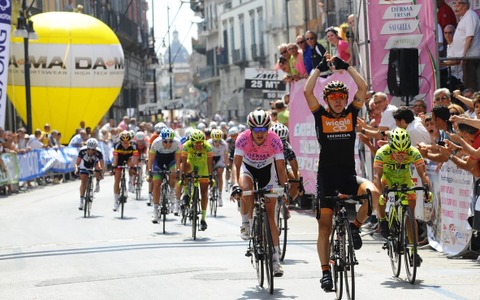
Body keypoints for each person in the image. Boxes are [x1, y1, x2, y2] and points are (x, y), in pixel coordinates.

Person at [303, 55, 379, 291]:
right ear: (327, 101)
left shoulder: (351, 114)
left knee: (374, 194)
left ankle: (355, 227)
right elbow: (308, 92)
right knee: (324, 226)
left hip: (348, 176)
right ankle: (326, 272)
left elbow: (363, 87)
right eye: (333, 98)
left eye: (341, 98)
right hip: (326, 177)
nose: (337, 101)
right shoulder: (321, 116)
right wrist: (319, 69)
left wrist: (345, 67)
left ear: (346, 100)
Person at [230, 108, 288, 277]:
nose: (260, 133)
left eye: (264, 129)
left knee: (270, 215)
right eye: (256, 129)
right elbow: (236, 165)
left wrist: (282, 187)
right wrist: (235, 185)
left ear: (268, 128)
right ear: (251, 129)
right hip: (248, 168)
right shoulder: (242, 139)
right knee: (246, 190)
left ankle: (275, 259)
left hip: (267, 170)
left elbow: (280, 167)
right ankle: (245, 222)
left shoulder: (275, 140)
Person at [374, 128, 433, 266]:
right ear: (391, 148)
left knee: (410, 215)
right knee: (379, 195)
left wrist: (427, 191)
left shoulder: (414, 152)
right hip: (386, 178)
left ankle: (414, 251)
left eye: (404, 152)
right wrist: (382, 193)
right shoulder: (382, 153)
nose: (401, 155)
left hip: (405, 180)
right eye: (397, 152)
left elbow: (423, 174)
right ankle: (382, 220)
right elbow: (377, 176)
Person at [179, 129, 214, 231]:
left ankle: (203, 218)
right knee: (184, 169)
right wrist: (183, 176)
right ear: (192, 141)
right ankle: (186, 193)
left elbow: (209, 164)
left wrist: (210, 176)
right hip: (191, 163)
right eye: (196, 143)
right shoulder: (186, 145)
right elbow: (184, 162)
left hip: (203, 166)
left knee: (204, 192)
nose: (198, 145)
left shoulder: (208, 147)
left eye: (200, 143)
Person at [148, 128, 181, 221]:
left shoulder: (177, 143)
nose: (168, 144)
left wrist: (178, 171)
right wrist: (149, 171)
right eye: (165, 141)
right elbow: (150, 159)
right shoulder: (156, 143)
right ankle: (155, 211)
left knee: (173, 173)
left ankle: (171, 192)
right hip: (158, 160)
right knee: (156, 183)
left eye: (170, 141)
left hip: (171, 160)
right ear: (161, 139)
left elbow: (178, 160)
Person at [271, 123, 303, 204]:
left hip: (284, 166)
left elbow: (294, 167)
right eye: (276, 140)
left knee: (296, 180)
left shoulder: (287, 147)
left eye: (282, 141)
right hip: (269, 167)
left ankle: (286, 203)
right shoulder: (265, 145)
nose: (279, 143)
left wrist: (298, 183)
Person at [451, 0, 480, 91]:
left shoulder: (470, 16)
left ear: (465, 5)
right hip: (466, 58)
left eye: (458, 4)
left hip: (470, 57)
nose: (455, 7)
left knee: (470, 87)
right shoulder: (464, 17)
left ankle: (472, 105)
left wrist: (463, 56)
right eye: (454, 4)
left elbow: (469, 37)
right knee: (468, 84)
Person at [110, 130, 139, 211]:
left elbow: (135, 158)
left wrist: (135, 167)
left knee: (131, 165)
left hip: (129, 157)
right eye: (124, 142)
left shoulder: (134, 145)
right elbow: (115, 158)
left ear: (130, 140)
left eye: (127, 142)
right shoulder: (117, 145)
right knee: (117, 179)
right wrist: (114, 167)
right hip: (119, 158)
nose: (125, 144)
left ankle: (131, 181)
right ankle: (116, 201)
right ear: (120, 141)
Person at [74, 138, 105, 210]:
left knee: (98, 168)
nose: (90, 151)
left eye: (93, 149)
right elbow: (77, 163)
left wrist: (102, 172)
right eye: (89, 149)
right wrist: (76, 169)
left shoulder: (98, 152)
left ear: (95, 148)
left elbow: (102, 164)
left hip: (94, 163)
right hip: (85, 165)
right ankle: (81, 200)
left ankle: (97, 183)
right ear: (87, 147)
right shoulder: (82, 151)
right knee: (83, 181)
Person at [208, 129, 228, 207]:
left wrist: (226, 165)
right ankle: (211, 189)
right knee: (210, 172)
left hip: (220, 158)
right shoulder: (208, 143)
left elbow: (225, 156)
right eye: (215, 141)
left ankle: (219, 195)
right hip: (211, 158)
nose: (217, 143)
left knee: (220, 172)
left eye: (218, 141)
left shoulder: (224, 144)